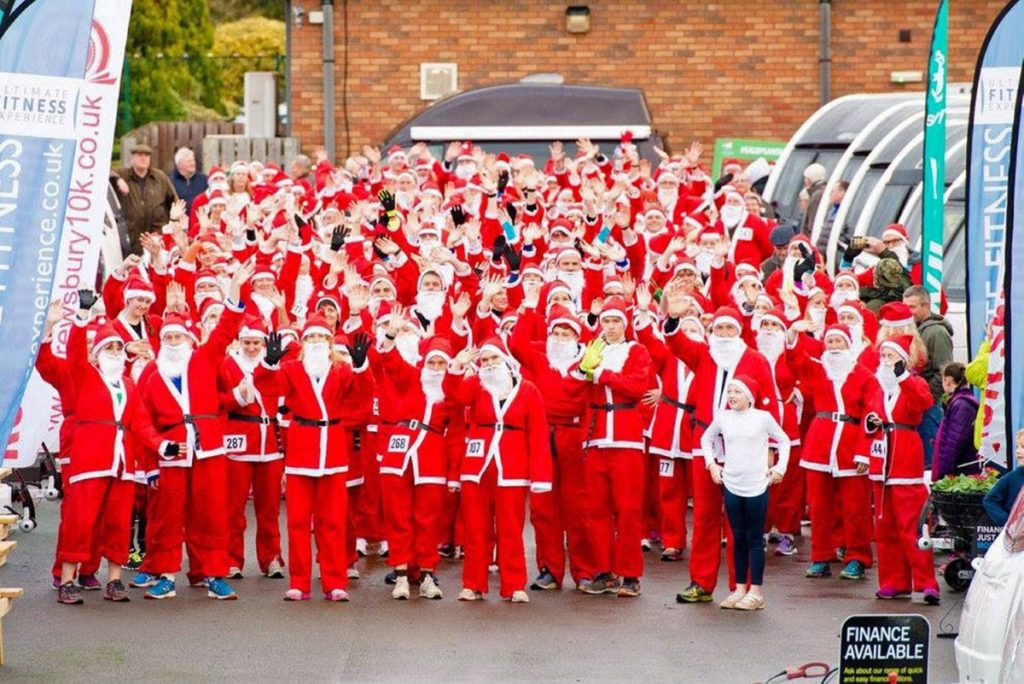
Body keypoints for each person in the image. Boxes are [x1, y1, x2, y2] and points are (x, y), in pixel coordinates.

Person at [134, 260, 254, 601]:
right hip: (174, 451)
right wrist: (158, 449)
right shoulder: (151, 375)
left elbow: (225, 332)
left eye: (179, 336)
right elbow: (141, 421)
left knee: (212, 514)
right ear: (161, 340)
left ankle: (212, 573)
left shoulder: (202, 359)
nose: (174, 341)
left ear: (189, 338)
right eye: (169, 336)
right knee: (169, 517)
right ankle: (167, 576)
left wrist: (233, 293)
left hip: (209, 448)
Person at [54, 292, 165, 604]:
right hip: (90, 460)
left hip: (122, 462)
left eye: (118, 347)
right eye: (109, 348)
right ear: (99, 353)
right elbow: (75, 353)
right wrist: (82, 316)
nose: (115, 352)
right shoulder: (86, 375)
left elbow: (141, 423)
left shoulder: (128, 385)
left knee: (118, 521)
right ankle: (67, 578)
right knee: (80, 519)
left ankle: (114, 579)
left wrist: (162, 446)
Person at [258, 319, 372, 602]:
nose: (317, 341)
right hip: (301, 450)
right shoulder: (291, 369)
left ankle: (335, 581)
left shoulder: (341, 370)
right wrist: (268, 363)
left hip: (332, 450)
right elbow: (267, 387)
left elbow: (364, 393)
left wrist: (361, 367)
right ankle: (299, 582)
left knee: (332, 521)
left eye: (322, 336)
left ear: (331, 343)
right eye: (311, 337)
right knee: (297, 521)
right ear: (304, 343)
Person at [447, 338, 553, 603]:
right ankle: (473, 583)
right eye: (484, 360)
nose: (490, 365)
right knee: (475, 528)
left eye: (494, 359)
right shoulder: (476, 385)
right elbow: (455, 396)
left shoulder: (528, 391)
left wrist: (540, 477)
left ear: (506, 361)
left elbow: (539, 435)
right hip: (477, 466)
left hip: (513, 468)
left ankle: (514, 584)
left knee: (511, 528)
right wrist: (457, 366)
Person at [571, 298, 653, 598]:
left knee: (628, 509)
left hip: (625, 435)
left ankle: (630, 574)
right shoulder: (593, 350)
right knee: (596, 509)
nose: (611, 327)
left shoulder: (637, 351)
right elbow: (575, 385)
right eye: (606, 322)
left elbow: (636, 386)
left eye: (616, 321)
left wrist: (601, 373)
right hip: (595, 436)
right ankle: (603, 571)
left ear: (625, 323)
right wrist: (582, 369)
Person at [862, 334, 940, 605]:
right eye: (882, 356)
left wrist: (903, 377)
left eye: (890, 356)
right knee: (885, 527)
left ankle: (926, 582)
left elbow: (923, 403)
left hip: (905, 456)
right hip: (881, 459)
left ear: (902, 360)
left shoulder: (914, 382)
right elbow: (868, 416)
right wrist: (871, 423)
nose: (885, 361)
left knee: (912, 525)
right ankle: (893, 581)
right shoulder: (877, 388)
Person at [701, 375, 790, 610]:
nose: (731, 396)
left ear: (749, 397)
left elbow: (784, 440)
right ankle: (739, 588)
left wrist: (779, 468)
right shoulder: (724, 418)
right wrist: (712, 465)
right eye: (729, 392)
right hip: (731, 485)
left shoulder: (762, 418)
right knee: (737, 538)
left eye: (737, 392)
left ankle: (756, 592)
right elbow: (706, 438)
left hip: (757, 486)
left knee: (754, 539)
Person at [903, 286, 952, 470]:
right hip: (920, 404)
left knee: (929, 462)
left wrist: (924, 396)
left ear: (926, 306)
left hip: (929, 407)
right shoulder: (917, 329)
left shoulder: (936, 333)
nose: (908, 312)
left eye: (912, 307)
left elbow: (944, 372)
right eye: (905, 306)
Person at [110, 143, 179, 249]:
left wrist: (175, 223)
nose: (143, 158)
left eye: (146, 155)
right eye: (140, 155)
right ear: (133, 157)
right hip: (131, 238)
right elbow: (106, 171)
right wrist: (117, 180)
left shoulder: (160, 178)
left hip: (156, 237)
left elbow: (174, 201)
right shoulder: (123, 174)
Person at [931, 362, 980, 481]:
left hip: (960, 473)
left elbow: (954, 444)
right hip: (961, 470)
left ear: (947, 380)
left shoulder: (961, 405)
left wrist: (943, 474)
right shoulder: (961, 403)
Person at [983, 430, 1024, 526]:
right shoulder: (1011, 478)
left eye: (1023, 447)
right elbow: (989, 500)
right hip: (1016, 536)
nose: (1018, 451)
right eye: (1017, 447)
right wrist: (1007, 521)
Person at [170, 147, 208, 214]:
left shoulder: (204, 179)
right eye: (189, 161)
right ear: (179, 164)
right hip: (179, 221)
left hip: (200, 220)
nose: (193, 163)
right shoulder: (171, 181)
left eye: (193, 160)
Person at [800, 163, 827, 236]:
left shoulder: (817, 195)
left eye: (806, 178)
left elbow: (811, 225)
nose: (805, 180)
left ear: (811, 179)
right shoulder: (825, 191)